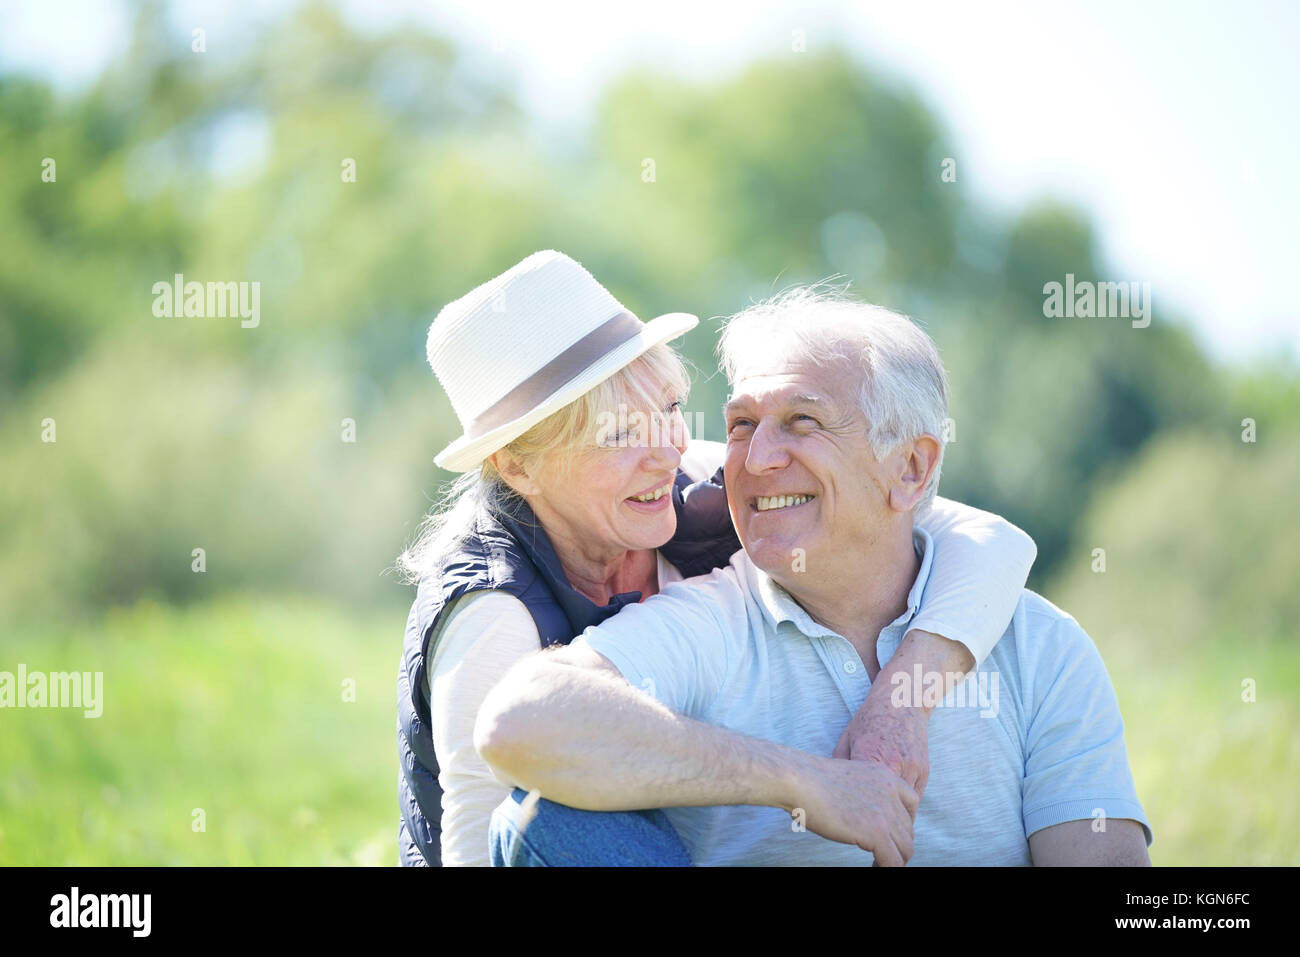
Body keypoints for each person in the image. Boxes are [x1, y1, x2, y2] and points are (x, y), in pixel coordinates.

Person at [397, 252, 1037, 866]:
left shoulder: (686, 477)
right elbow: (485, 847)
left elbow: (985, 537)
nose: (665, 450)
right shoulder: (491, 617)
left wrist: (902, 697)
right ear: (517, 466)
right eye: (618, 434)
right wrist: (806, 783)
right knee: (547, 812)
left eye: (670, 408)